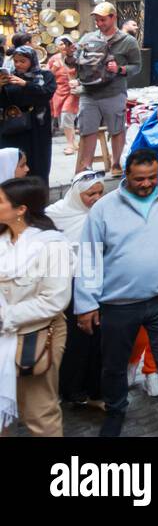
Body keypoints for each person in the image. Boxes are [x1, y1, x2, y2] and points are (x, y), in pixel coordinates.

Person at [74, 147, 158, 437]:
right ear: (126, 176)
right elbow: (89, 257)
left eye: (152, 178)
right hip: (119, 303)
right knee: (114, 364)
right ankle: (115, 413)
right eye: (139, 179)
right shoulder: (105, 208)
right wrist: (86, 304)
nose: (146, 184)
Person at [0, 176, 72, 436]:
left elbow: (54, 299)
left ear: (21, 210)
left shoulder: (52, 246)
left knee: (39, 413)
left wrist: (6, 316)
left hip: (36, 336)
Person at [47, 171, 106, 408]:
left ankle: (96, 389)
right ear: (75, 194)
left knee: (98, 338)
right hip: (67, 284)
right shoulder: (55, 215)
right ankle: (72, 389)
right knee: (74, 340)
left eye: (100, 192)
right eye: (90, 193)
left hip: (98, 279)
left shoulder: (104, 213)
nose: (96, 198)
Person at [75, 2, 141, 176]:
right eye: (97, 20)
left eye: (103, 19)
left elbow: (137, 66)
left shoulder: (127, 41)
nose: (99, 23)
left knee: (117, 129)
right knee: (87, 129)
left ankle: (116, 163)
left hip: (114, 92)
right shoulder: (87, 38)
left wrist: (120, 69)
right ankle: (86, 167)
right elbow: (75, 58)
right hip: (88, 93)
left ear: (114, 17)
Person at [0, 46, 56, 183]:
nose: (18, 64)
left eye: (23, 61)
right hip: (12, 127)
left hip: (37, 129)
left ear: (32, 60)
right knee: (13, 162)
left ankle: (37, 197)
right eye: (16, 61)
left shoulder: (45, 76)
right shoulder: (9, 77)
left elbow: (46, 93)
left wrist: (26, 84)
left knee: (37, 163)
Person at [48, 36, 81, 157]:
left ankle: (70, 145)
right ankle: (73, 142)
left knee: (67, 114)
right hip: (58, 91)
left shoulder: (76, 58)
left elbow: (83, 73)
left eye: (66, 44)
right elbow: (48, 76)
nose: (63, 47)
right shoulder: (53, 59)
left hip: (72, 91)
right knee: (65, 117)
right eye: (61, 44)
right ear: (57, 46)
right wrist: (54, 67)